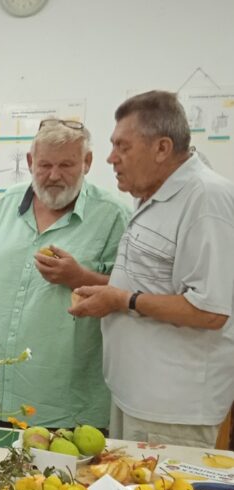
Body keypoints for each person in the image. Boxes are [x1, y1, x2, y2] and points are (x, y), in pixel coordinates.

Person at [71, 91, 234, 447]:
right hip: (136, 396)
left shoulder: (206, 199)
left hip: (172, 410)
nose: (111, 159)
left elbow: (209, 311)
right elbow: (149, 281)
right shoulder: (153, 195)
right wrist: (104, 291)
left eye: (123, 147)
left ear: (162, 148)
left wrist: (122, 301)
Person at [0, 119, 130, 428]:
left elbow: (132, 295)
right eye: (45, 165)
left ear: (87, 162)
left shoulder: (113, 216)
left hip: (63, 408)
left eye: (66, 165)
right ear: (30, 162)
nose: (54, 176)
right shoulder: (8, 204)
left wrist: (79, 276)